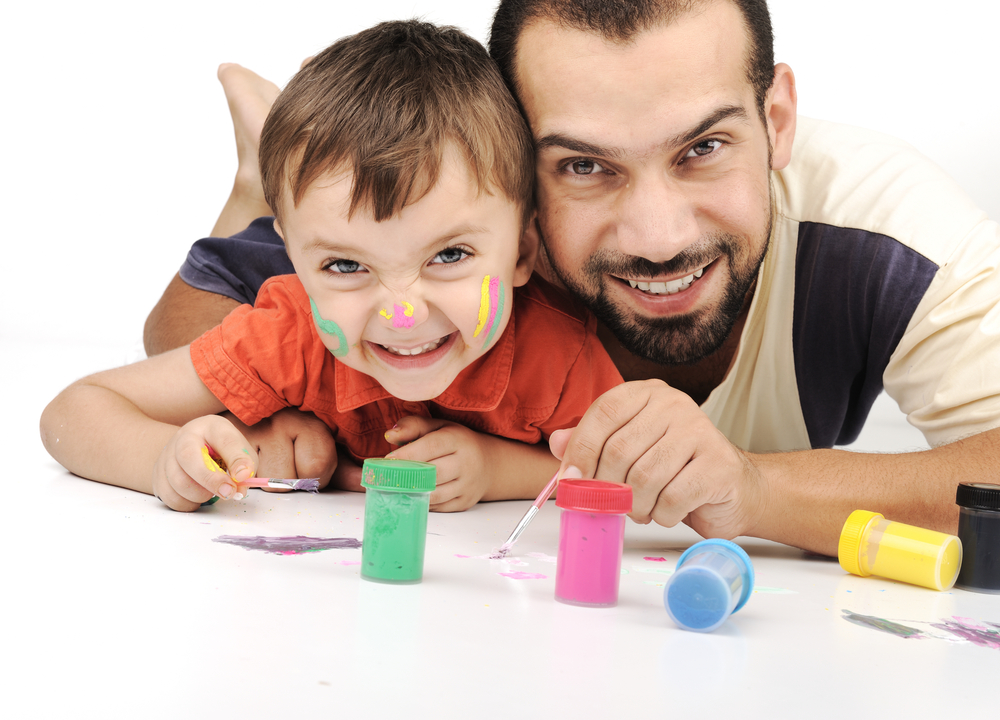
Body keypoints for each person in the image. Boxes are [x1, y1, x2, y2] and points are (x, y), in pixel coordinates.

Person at [145, 0, 1000, 556]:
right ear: (515, 167)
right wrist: (302, 405)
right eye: (586, 166)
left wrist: (758, 487)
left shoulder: (897, 239)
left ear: (776, 122)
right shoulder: (459, 226)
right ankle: (259, 186)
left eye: (703, 149)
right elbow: (184, 337)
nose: (660, 239)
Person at [40, 20, 622, 513]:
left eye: (449, 255)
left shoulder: (560, 354)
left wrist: (497, 472)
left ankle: (272, 175)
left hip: (320, 228)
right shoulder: (291, 329)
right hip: (255, 254)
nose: (403, 313)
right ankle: (256, 190)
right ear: (294, 259)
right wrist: (164, 458)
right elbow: (73, 411)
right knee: (178, 316)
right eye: (346, 265)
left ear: (522, 253)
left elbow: (614, 471)